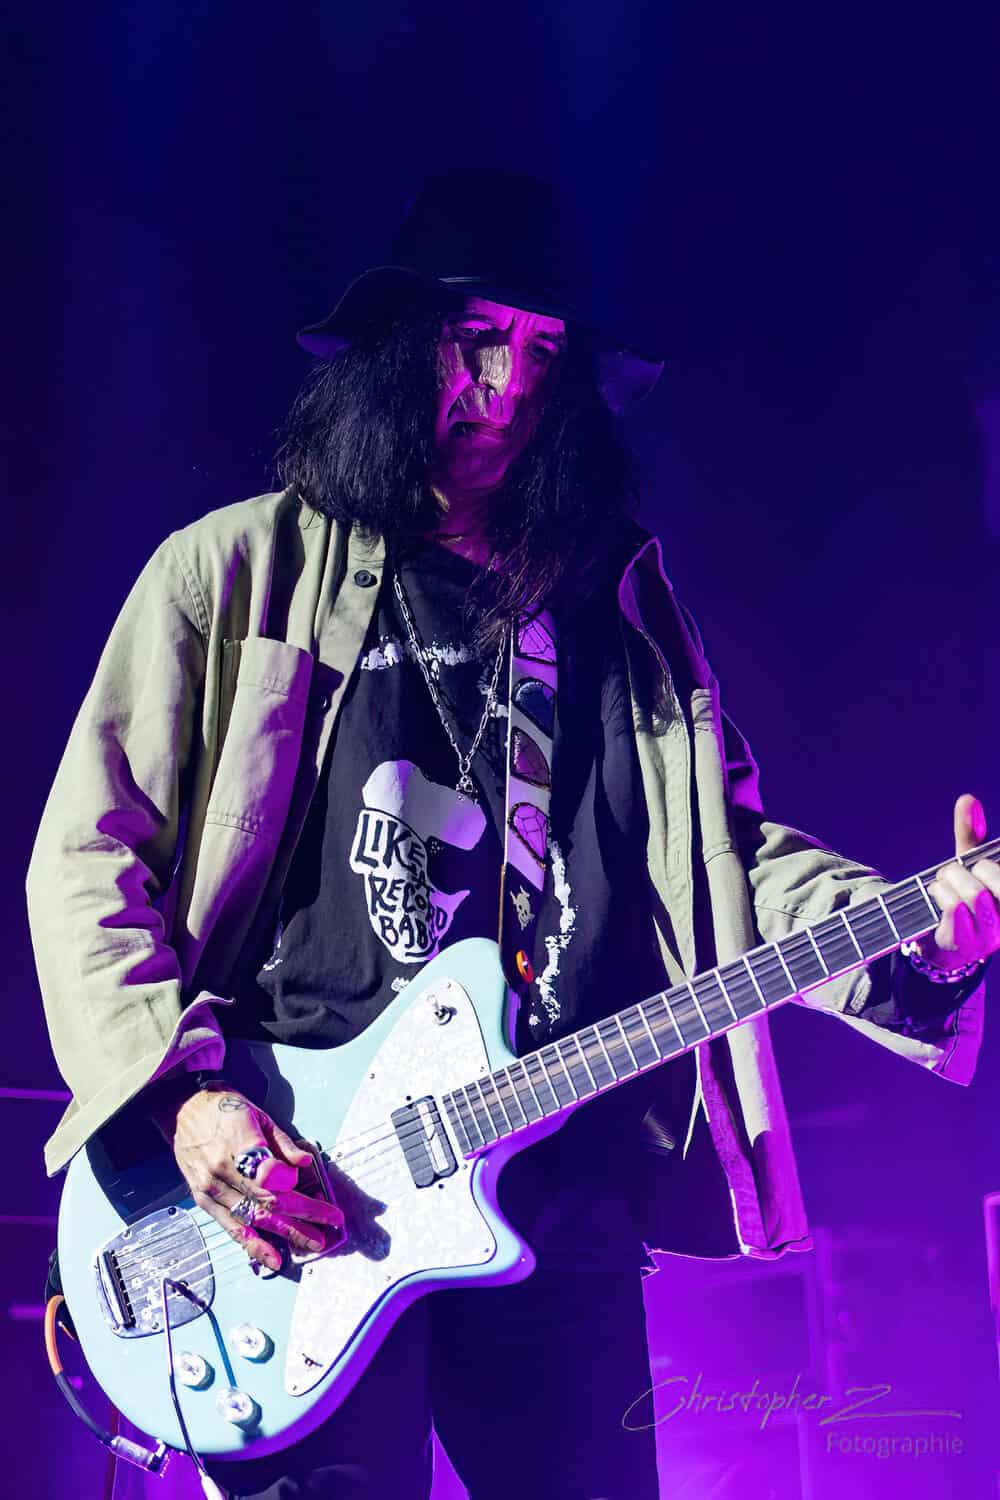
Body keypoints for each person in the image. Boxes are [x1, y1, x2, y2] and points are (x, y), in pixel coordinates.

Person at [28, 170, 997, 1500]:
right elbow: (90, 859)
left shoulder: (611, 612)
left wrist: (920, 936)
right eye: (476, 337)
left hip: (558, 1180)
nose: (509, 386)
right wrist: (185, 1102)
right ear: (394, 351)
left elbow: (721, 864)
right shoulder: (238, 572)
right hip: (296, 1168)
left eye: (545, 351)